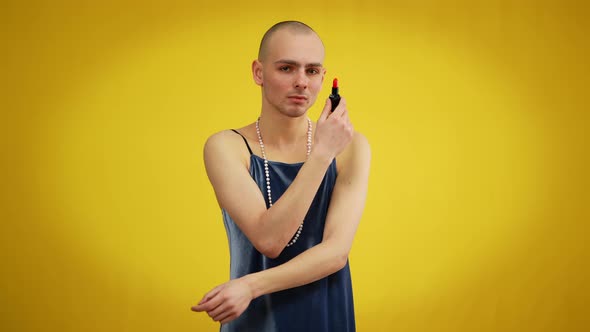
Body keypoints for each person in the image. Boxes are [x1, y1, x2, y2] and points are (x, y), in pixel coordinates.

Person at [191, 21, 371, 332]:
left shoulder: (350, 147)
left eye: (312, 71)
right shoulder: (226, 147)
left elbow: (336, 253)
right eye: (287, 68)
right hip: (256, 321)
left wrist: (249, 286)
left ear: (324, 78)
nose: (301, 82)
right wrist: (321, 155)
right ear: (259, 72)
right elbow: (270, 240)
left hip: (327, 316)